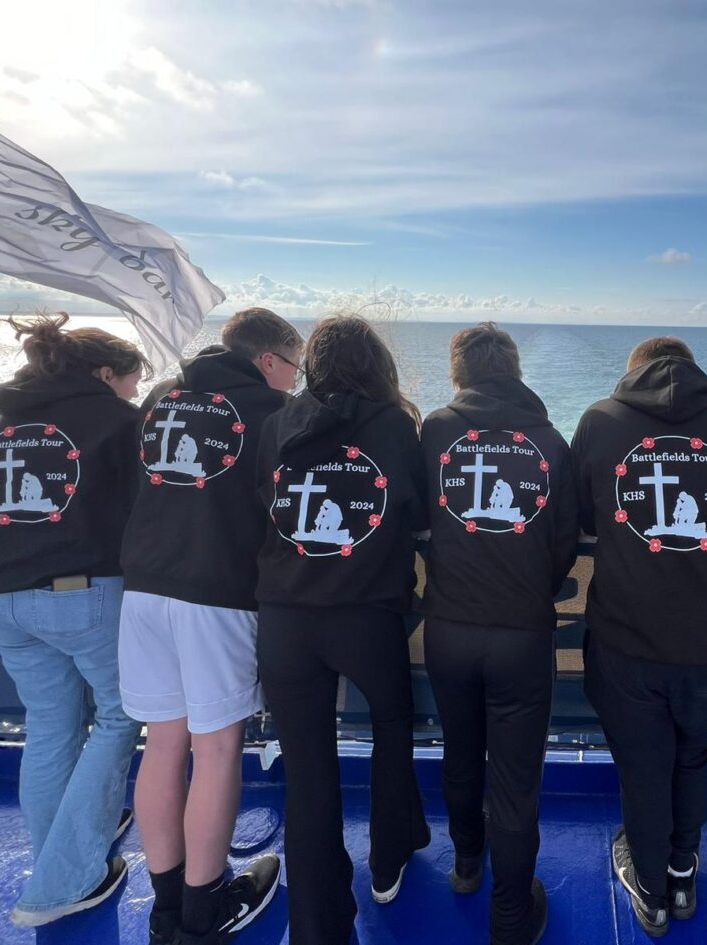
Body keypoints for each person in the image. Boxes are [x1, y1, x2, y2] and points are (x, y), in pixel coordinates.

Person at [571, 336, 707, 937]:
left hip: (628, 638)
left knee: (642, 766)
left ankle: (653, 893)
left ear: (634, 372)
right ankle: (683, 870)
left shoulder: (600, 422)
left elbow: (582, 515)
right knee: (693, 754)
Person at [118, 307, 303, 945]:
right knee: (217, 749)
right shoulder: (273, 413)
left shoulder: (162, 398)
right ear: (269, 361)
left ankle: (166, 907)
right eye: (294, 368)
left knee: (162, 745)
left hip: (142, 588)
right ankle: (205, 908)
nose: (295, 380)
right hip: (218, 591)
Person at [0, 313, 149, 926]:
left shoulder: (6, 419)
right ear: (104, 374)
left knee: (50, 727)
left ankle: (53, 861)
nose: (134, 392)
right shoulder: (119, 421)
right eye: (132, 379)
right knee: (121, 717)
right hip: (81, 593)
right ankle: (62, 883)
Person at [255, 314, 431, 945]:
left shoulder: (276, 425)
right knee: (391, 730)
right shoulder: (392, 426)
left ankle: (318, 925)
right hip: (365, 614)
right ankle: (391, 857)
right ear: (376, 366)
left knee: (307, 774)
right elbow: (418, 509)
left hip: (284, 619)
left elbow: (261, 511)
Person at [419, 323, 578, 945]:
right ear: (513, 370)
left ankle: (465, 863)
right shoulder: (550, 440)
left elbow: (415, 512)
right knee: (515, 777)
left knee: (460, 751)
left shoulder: (433, 429)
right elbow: (565, 540)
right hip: (522, 631)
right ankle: (510, 916)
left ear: (459, 372)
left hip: (449, 628)